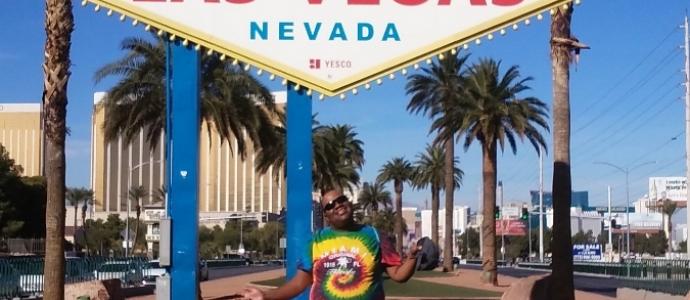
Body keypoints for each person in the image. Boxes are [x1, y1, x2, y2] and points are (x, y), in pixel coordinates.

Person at [241, 189, 420, 300]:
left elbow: (398, 275)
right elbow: (298, 284)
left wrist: (412, 257)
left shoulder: (374, 235)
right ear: (326, 215)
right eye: (330, 205)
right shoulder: (316, 241)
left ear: (349, 203)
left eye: (341, 200)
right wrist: (266, 296)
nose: (337, 205)